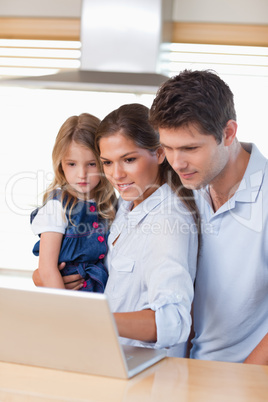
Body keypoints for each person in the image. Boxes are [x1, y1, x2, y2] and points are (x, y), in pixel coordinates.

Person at [33, 103, 199, 357]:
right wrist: (46, 278)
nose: (116, 174)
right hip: (108, 358)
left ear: (159, 153)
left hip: (146, 373)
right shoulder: (124, 204)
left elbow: (174, 321)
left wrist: (90, 318)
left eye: (129, 159)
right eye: (107, 163)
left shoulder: (168, 222)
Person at [149, 69, 268, 365]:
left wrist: (245, 381)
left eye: (190, 148)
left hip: (242, 380)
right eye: (168, 149)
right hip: (180, 372)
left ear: (228, 133)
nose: (177, 163)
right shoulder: (183, 189)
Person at [30, 113, 117, 292]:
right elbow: (47, 269)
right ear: (60, 164)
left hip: (100, 294)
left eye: (91, 164)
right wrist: (65, 309)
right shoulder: (57, 206)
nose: (82, 174)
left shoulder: (109, 204)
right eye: (72, 164)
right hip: (68, 298)